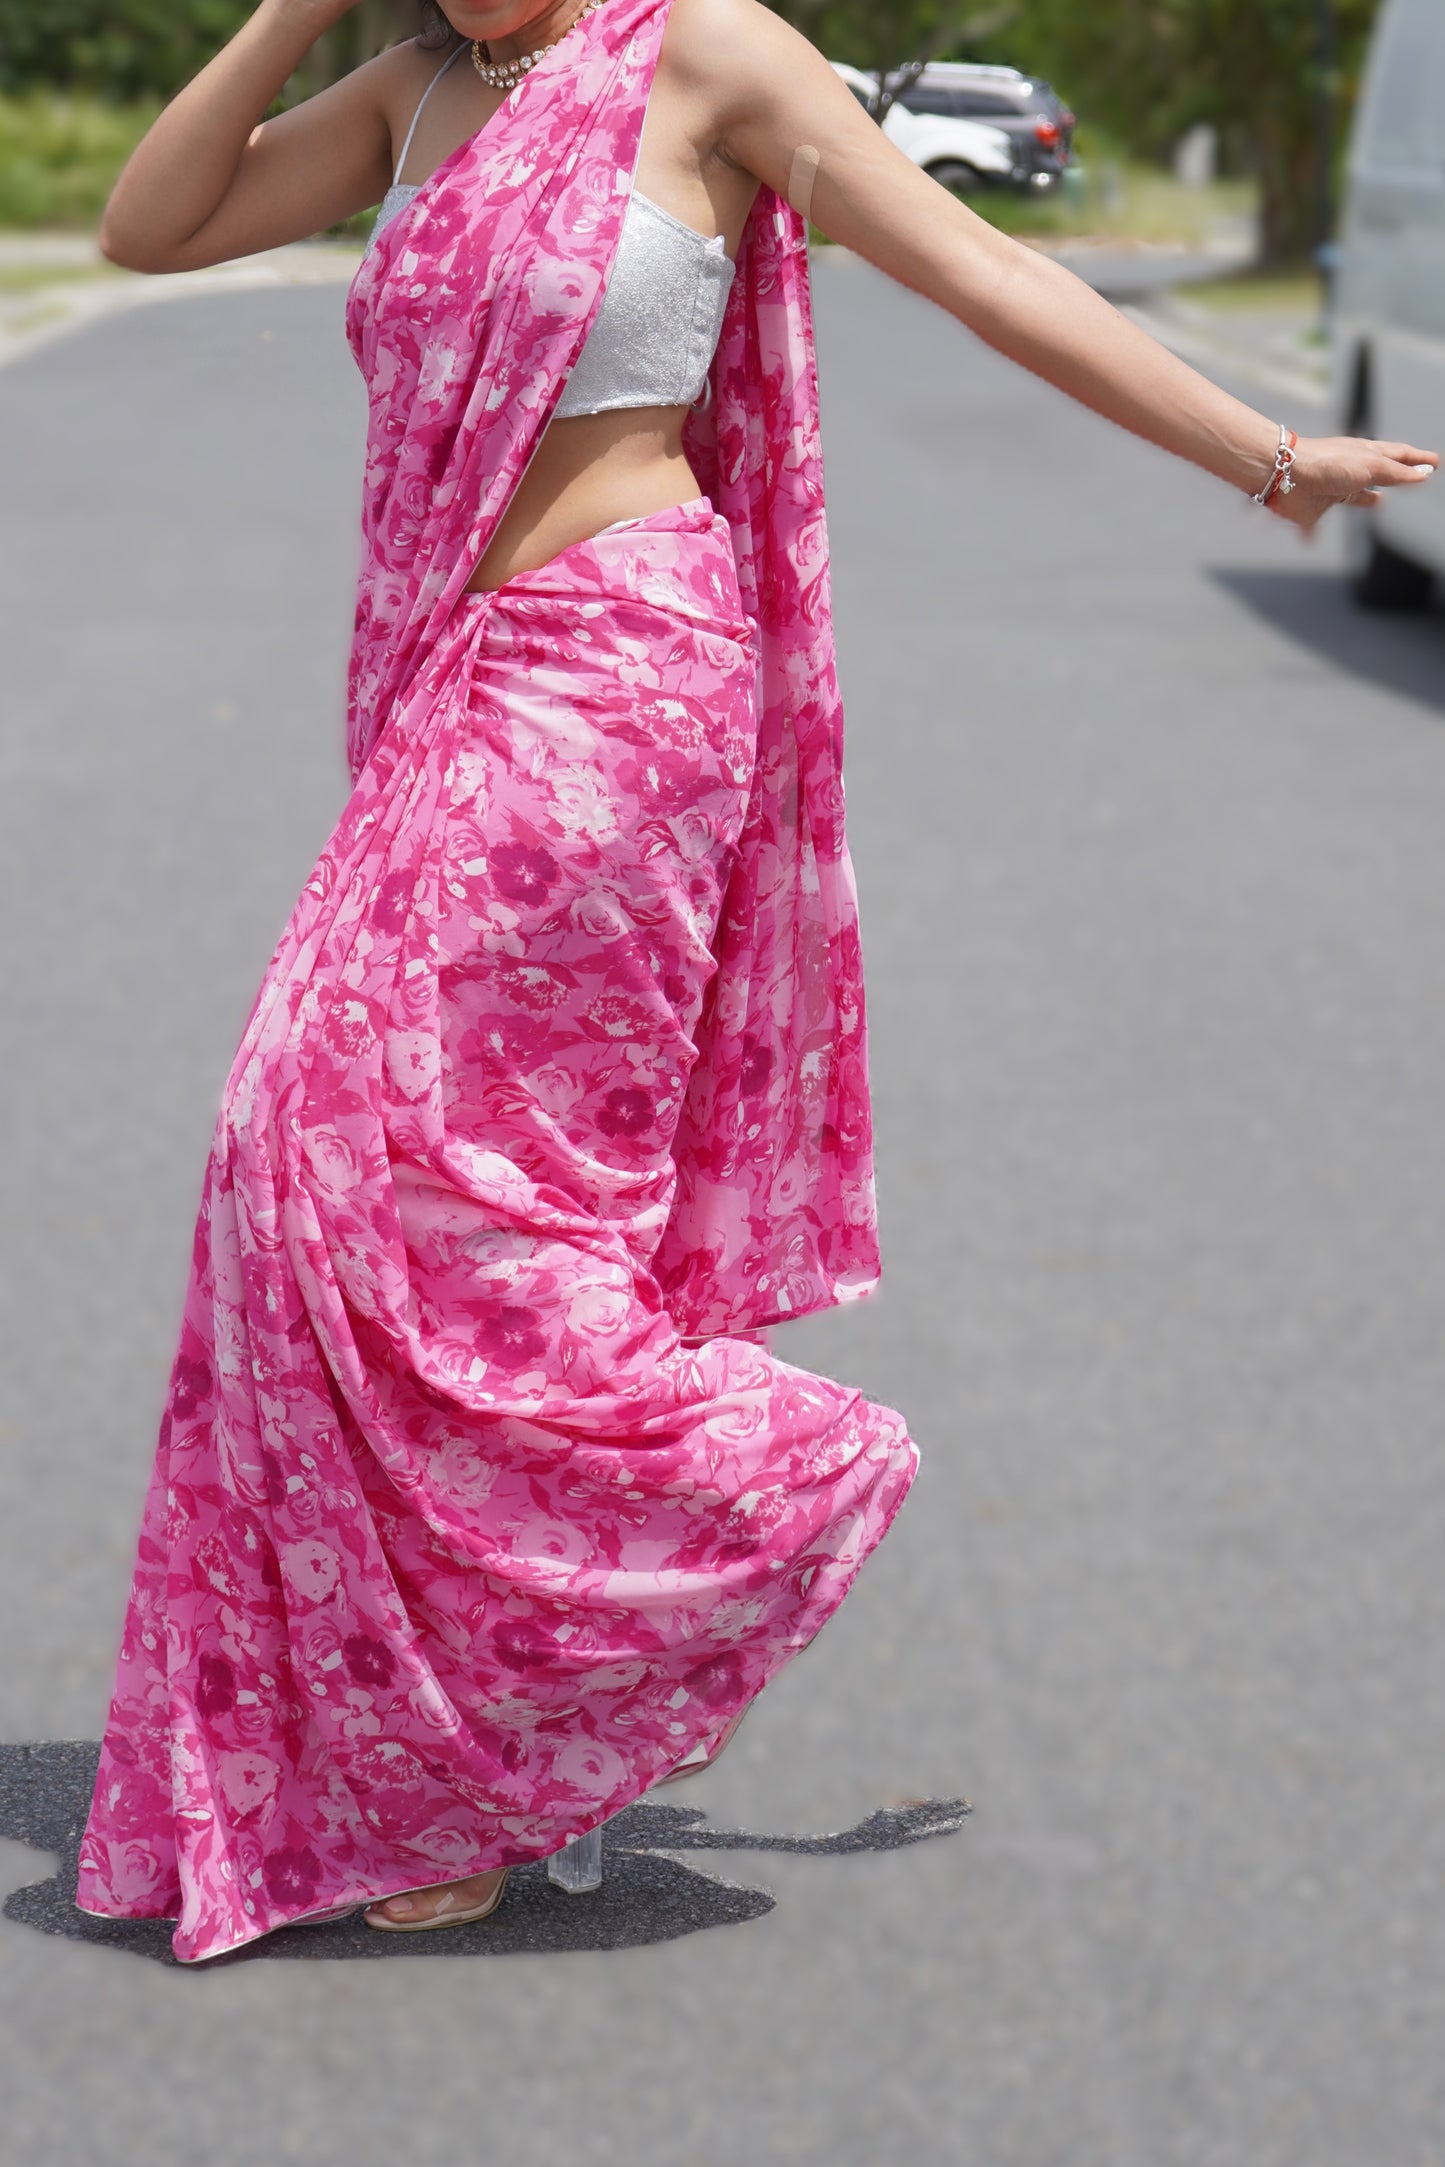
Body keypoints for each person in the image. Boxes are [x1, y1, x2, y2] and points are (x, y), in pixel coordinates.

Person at [77, 0, 1435, 1965]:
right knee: (343, 1167)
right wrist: (289, 14)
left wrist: (1268, 449)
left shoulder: (707, 56)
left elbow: (978, 263)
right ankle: (508, 1712)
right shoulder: (414, 88)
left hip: (619, 692)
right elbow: (150, 226)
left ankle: (686, 1546)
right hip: (459, 688)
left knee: (364, 1151)